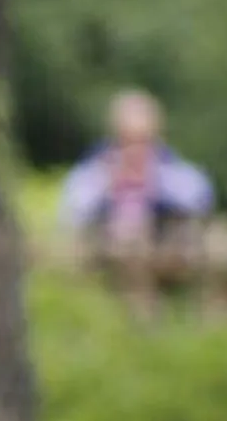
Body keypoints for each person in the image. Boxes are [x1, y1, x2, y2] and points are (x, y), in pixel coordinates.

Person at [59, 90, 216, 315]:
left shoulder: (165, 166)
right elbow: (71, 210)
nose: (135, 149)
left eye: (142, 140)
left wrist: (155, 181)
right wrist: (108, 182)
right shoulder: (98, 167)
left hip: (161, 244)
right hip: (109, 249)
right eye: (128, 140)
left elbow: (201, 197)